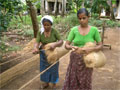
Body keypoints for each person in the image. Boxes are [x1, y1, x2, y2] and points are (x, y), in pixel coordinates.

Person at [62, 8, 102, 90]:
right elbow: (66, 45)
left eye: (84, 18)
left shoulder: (94, 30)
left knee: (85, 80)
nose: (82, 20)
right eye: (80, 18)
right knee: (74, 78)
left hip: (88, 59)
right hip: (75, 59)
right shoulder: (74, 30)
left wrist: (91, 50)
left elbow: (100, 45)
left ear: (88, 17)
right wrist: (72, 47)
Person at [33, 15, 63, 89]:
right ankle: (45, 83)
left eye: (48, 25)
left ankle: (54, 83)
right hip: (43, 53)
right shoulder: (40, 32)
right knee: (44, 68)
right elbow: (37, 42)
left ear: (51, 24)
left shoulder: (54, 31)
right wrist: (35, 48)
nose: (46, 27)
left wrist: (55, 44)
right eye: (45, 25)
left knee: (54, 68)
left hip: (53, 53)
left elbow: (61, 41)